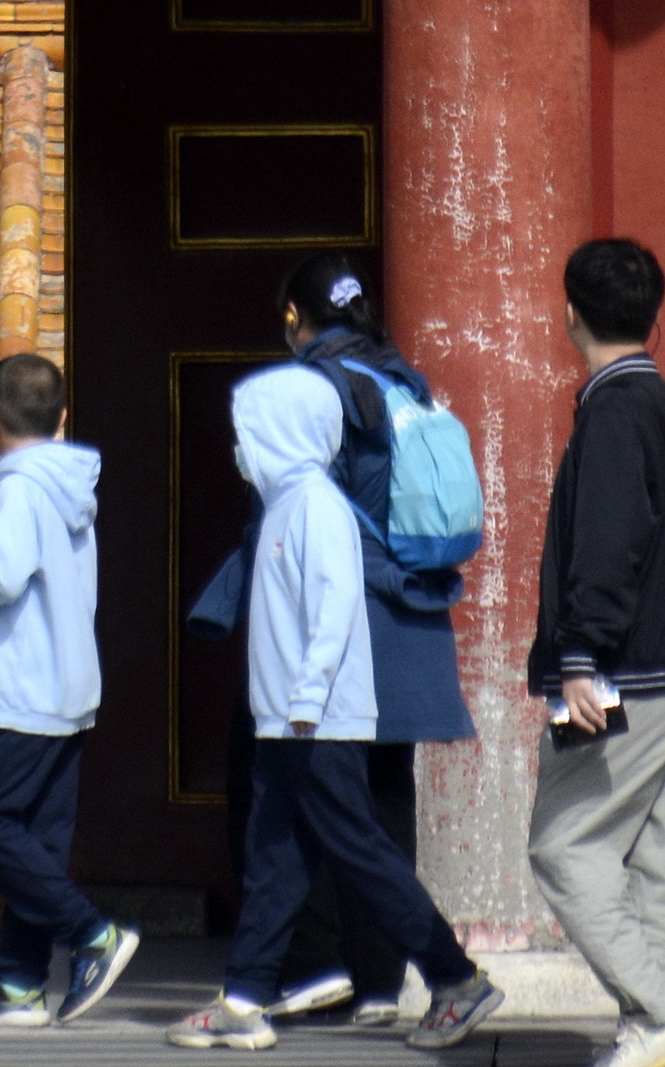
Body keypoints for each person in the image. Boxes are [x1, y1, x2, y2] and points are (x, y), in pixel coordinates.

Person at [170, 364, 503, 1055]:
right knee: (275, 859)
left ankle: (455, 976)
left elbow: (333, 612)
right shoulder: (287, 505)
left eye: (248, 430)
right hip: (286, 719)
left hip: (312, 720)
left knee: (360, 852)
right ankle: (245, 996)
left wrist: (306, 699)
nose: (240, 446)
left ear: (283, 432)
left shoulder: (316, 507)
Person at [524, 237, 665, 1067]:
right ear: (652, 314)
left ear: (571, 311)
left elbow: (606, 545)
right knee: (651, 850)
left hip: (624, 673)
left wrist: (579, 656)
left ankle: (657, 1012)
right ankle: (650, 1028)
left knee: (564, 846)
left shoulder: (612, 411)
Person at [264, 254, 475, 1030]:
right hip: (408, 614)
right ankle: (382, 982)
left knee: (306, 787)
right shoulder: (404, 381)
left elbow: (292, 509)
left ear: (296, 318)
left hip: (342, 618)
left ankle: (310, 964)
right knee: (386, 796)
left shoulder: (315, 389)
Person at [0, 352, 139, 1029]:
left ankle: (94, 936)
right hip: (70, 687)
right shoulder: (70, 483)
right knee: (39, 842)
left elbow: (2, 576)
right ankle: (19, 984)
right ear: (62, 418)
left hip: (21, 689)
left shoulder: (18, 485)